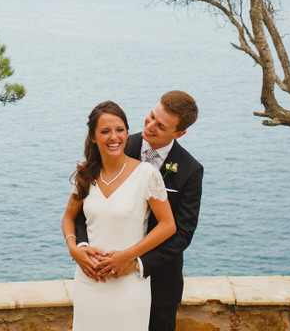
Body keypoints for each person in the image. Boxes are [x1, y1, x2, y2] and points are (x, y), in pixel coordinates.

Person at [73, 91, 202, 331]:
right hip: (103, 277)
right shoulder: (115, 143)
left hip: (160, 281)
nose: (150, 126)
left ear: (179, 133)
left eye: (160, 126)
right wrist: (81, 247)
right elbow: (84, 209)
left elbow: (182, 233)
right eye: (151, 116)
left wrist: (135, 262)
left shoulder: (190, 169)